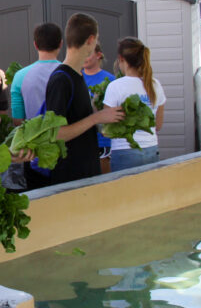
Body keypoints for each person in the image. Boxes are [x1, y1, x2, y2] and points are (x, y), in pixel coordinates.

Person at [30, 14, 124, 189]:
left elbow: (76, 121)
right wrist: (96, 118)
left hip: (84, 173)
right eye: (97, 39)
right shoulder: (61, 79)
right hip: (70, 177)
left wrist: (99, 117)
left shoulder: (77, 75)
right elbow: (56, 133)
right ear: (90, 40)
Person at [104, 37, 166, 172]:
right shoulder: (155, 85)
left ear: (121, 59)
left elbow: (108, 129)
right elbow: (158, 125)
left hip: (124, 151)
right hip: (151, 148)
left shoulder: (115, 86)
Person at [10, 22, 63, 125]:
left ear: (35, 44)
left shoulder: (20, 76)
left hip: (34, 139)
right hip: (66, 137)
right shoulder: (71, 73)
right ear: (61, 43)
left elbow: (17, 120)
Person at [82, 43, 118, 173]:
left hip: (103, 142)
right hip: (82, 142)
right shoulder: (76, 78)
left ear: (99, 55)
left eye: (89, 53)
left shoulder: (110, 80)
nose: (84, 57)